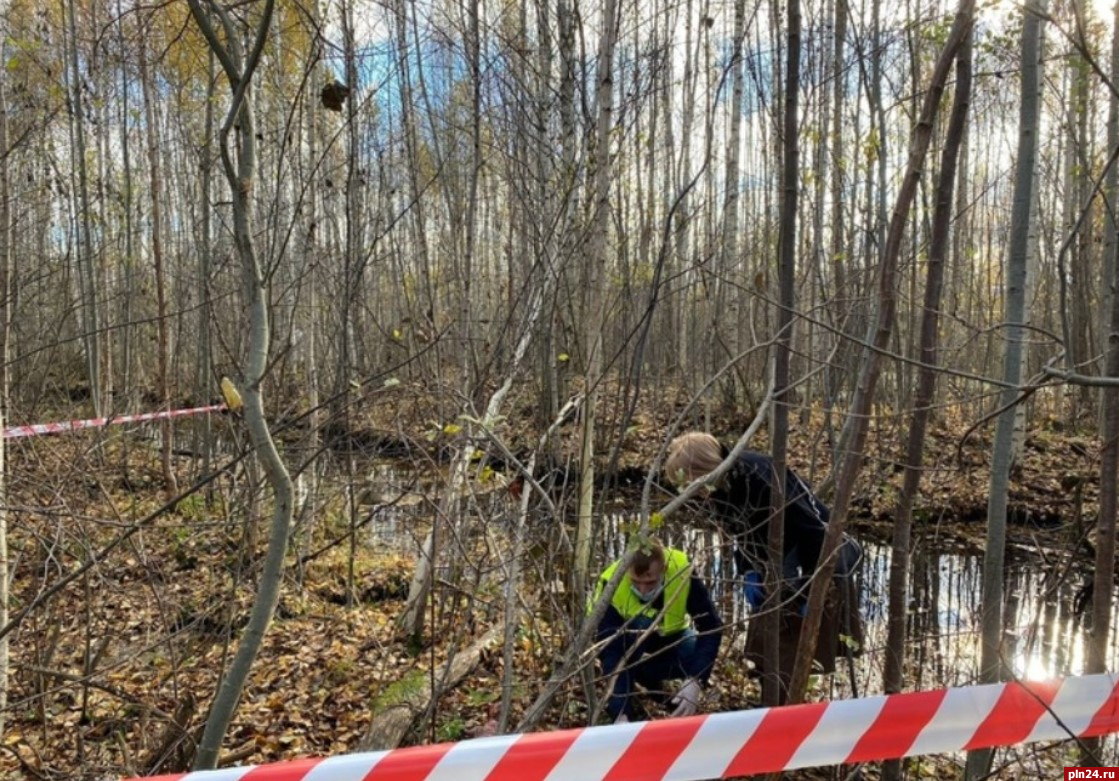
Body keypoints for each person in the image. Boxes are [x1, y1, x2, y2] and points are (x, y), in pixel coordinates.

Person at [663, 431, 863, 700]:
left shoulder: (762, 478)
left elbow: (814, 533)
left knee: (793, 649)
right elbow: (743, 531)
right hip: (770, 563)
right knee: (766, 651)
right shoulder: (720, 487)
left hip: (809, 559)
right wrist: (747, 570)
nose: (693, 494)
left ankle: (789, 707)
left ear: (705, 470)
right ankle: (773, 701)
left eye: (692, 484)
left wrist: (812, 588)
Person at [591, 538, 723, 723]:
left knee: (696, 654)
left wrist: (696, 680)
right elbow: (611, 653)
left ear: (663, 570)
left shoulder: (681, 570)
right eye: (636, 583)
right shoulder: (612, 582)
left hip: (670, 639)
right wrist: (620, 712)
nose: (643, 590)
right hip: (629, 644)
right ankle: (631, 684)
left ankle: (649, 678)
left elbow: (711, 627)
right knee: (638, 629)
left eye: (650, 582)